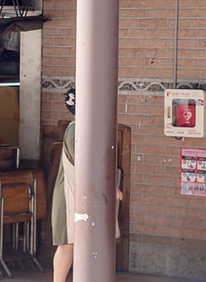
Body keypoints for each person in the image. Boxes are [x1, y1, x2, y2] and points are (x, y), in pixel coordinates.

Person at [51, 87, 121, 282]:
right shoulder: (75, 129)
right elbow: (85, 164)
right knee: (68, 244)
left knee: (86, 243)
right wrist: (109, 186)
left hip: (86, 193)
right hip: (70, 193)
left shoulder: (88, 128)